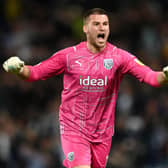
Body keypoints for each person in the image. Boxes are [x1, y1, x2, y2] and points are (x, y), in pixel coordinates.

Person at [2, 8, 168, 168]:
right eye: (96, 24)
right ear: (85, 29)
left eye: (105, 24)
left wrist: (165, 75)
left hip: (102, 132)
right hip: (74, 127)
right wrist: (19, 69)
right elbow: (34, 73)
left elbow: (152, 78)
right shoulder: (68, 56)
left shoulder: (119, 57)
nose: (102, 27)